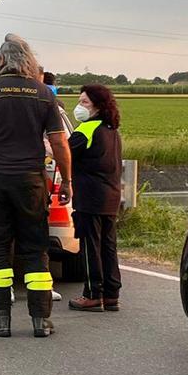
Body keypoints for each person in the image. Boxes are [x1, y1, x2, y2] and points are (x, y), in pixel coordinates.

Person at [0, 34, 72, 338]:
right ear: (29, 60)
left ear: (1, 61)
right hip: (30, 180)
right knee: (35, 249)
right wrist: (68, 180)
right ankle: (40, 320)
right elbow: (59, 143)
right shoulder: (43, 93)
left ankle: (1, 319)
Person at [66, 84, 123, 313]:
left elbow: (64, 152)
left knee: (90, 246)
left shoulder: (86, 129)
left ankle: (92, 294)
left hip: (90, 196)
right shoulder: (112, 130)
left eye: (84, 102)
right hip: (110, 196)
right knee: (108, 246)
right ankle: (111, 294)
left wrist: (47, 148)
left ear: (98, 105)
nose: (79, 107)